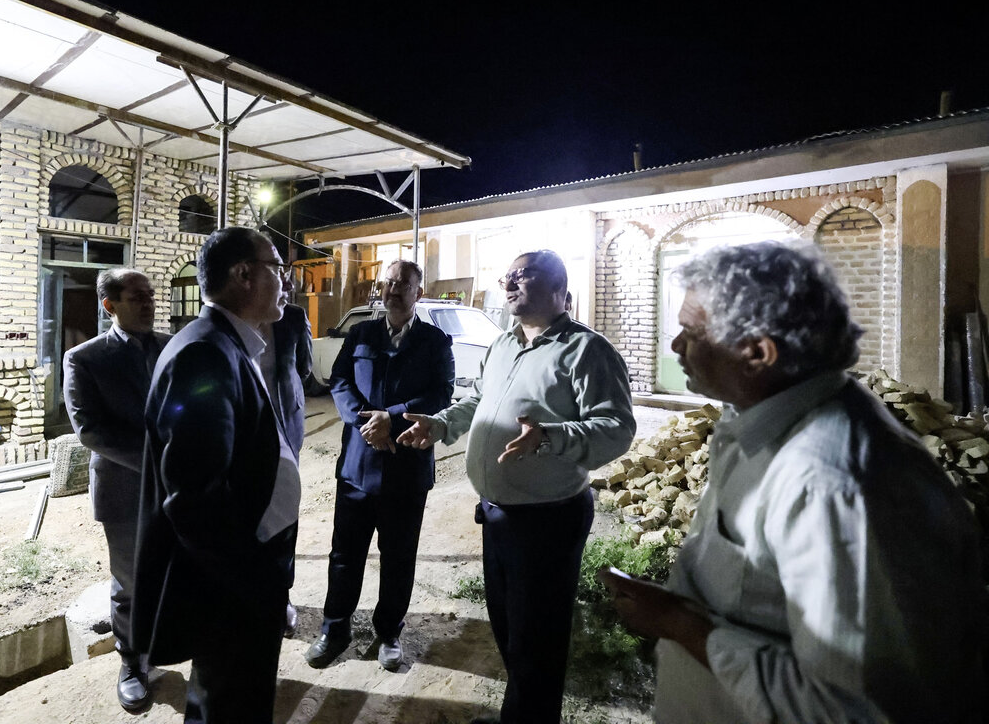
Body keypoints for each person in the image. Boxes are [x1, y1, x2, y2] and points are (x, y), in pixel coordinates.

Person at [601, 241, 987, 724]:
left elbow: (850, 709)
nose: (676, 346)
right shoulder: (754, 423)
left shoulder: (831, 482)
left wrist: (680, 625)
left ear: (757, 353)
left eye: (691, 332)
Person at [398, 249, 636, 724]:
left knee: (538, 643)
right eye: (506, 275)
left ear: (559, 289)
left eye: (523, 275)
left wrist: (550, 436)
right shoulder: (503, 344)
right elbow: (477, 401)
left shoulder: (586, 350)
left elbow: (616, 427)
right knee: (510, 631)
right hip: (498, 515)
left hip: (548, 519)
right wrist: (440, 424)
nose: (509, 283)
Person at [130, 227, 298, 724]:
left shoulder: (227, 343)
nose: (287, 281)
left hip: (245, 571)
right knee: (231, 704)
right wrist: (253, 584)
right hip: (232, 585)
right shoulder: (205, 353)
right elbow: (195, 499)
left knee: (231, 697)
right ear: (244, 274)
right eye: (278, 268)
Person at [303, 259, 455, 671]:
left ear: (418, 293)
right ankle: (334, 630)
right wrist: (366, 422)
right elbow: (339, 381)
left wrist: (394, 417)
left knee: (399, 557)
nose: (393, 290)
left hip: (407, 467)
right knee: (344, 555)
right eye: (388, 283)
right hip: (358, 466)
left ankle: (389, 632)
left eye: (403, 284)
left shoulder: (435, 341)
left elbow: (442, 393)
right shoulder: (361, 334)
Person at [62, 268, 170, 713]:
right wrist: (159, 463)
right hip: (126, 489)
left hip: (179, 487)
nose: (148, 304)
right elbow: (89, 429)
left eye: (150, 295)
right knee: (130, 582)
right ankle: (132, 663)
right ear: (109, 305)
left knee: (176, 571)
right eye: (137, 297)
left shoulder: (172, 346)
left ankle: (170, 644)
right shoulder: (84, 358)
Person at [259, 302, 313, 636]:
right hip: (244, 434)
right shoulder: (233, 314)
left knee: (284, 514)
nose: (282, 282)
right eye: (276, 276)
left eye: (285, 277)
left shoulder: (292, 317)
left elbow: (304, 368)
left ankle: (281, 596)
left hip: (284, 429)